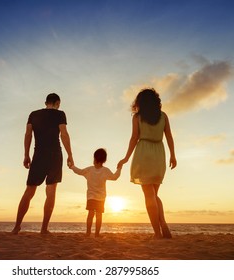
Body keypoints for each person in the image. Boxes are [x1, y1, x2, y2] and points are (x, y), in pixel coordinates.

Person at [118, 88, 176, 239]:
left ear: (140, 103)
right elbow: (169, 136)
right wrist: (173, 155)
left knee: (149, 195)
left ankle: (157, 232)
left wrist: (125, 158)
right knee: (155, 195)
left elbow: (134, 138)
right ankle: (162, 222)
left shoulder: (138, 117)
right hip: (159, 154)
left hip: (143, 153)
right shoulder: (163, 116)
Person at [12, 93, 74, 234]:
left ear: (46, 102)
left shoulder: (33, 114)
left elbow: (28, 134)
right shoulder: (60, 114)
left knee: (29, 191)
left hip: (38, 154)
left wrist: (26, 154)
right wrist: (70, 155)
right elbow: (64, 134)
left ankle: (16, 227)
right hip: (54, 155)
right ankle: (44, 228)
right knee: (51, 192)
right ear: (57, 103)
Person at [70, 148, 121, 237]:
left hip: (91, 197)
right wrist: (119, 168)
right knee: (99, 215)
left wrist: (71, 166)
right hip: (101, 197)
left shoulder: (90, 170)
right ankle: (97, 234)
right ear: (104, 160)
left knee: (90, 214)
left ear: (95, 159)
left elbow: (79, 171)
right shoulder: (105, 170)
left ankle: (88, 233)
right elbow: (115, 177)